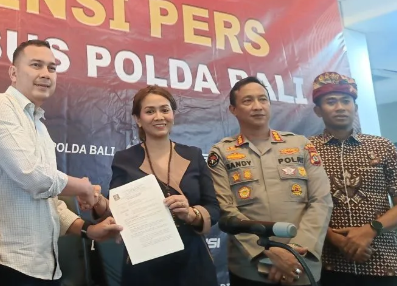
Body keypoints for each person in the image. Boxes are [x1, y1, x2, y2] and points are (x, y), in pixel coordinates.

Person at [0, 39, 123, 286]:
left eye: (52, 68)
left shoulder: (41, 128)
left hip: (46, 269)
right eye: (36, 65)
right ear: (13, 73)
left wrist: (89, 230)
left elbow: (49, 202)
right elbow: (33, 176)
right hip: (8, 263)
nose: (45, 74)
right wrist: (83, 186)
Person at [208, 76, 333, 286]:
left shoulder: (300, 144)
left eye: (263, 99)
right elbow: (227, 211)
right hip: (251, 268)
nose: (257, 106)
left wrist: (294, 251)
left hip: (301, 263)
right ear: (233, 110)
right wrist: (267, 253)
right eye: (248, 101)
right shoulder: (222, 152)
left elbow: (321, 201)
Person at [90, 85, 220, 286]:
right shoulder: (125, 159)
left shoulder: (193, 155)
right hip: (144, 263)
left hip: (193, 262)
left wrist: (192, 214)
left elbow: (214, 208)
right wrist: (97, 201)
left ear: (173, 114)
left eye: (165, 110)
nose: (159, 117)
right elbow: (116, 210)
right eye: (150, 111)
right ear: (138, 119)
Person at [309, 72, 397, 286]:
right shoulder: (307, 150)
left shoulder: (382, 146)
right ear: (318, 110)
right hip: (330, 262)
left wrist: (370, 230)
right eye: (331, 102)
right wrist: (333, 237)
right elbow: (300, 205)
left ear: (355, 108)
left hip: (382, 260)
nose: (340, 107)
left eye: (346, 101)